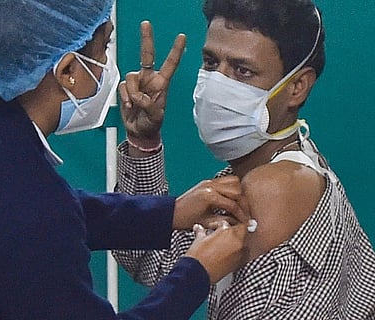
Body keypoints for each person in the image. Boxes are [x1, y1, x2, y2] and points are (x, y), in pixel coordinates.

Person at [0, 1, 251, 319]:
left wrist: (168, 214)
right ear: (68, 72)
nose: (110, 66)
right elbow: (30, 217)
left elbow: (3, 213)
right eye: (106, 46)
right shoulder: (30, 207)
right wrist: (197, 272)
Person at [112, 1, 375, 319]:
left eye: (242, 70)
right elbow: (152, 262)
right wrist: (143, 141)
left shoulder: (273, 188)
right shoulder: (279, 164)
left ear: (296, 87)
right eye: (210, 62)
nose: (217, 84)